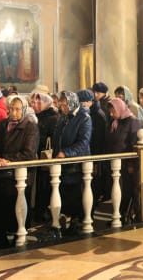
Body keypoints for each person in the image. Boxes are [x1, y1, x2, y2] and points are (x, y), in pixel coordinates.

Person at [0, 95, 39, 249]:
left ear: (24, 110)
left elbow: (29, 152)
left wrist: (7, 159)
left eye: (17, 109)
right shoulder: (3, 124)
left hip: (18, 174)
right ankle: (0, 236)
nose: (13, 112)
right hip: (1, 171)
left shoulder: (30, 126)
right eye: (11, 109)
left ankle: (17, 236)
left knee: (15, 205)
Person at [52, 91, 92, 235]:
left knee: (74, 194)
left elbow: (83, 142)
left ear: (72, 103)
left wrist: (66, 153)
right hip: (62, 163)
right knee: (62, 192)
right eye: (61, 105)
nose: (63, 108)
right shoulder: (64, 117)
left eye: (65, 105)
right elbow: (58, 136)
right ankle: (64, 222)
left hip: (75, 164)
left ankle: (75, 223)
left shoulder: (84, 118)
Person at [105, 98, 141, 224]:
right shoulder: (115, 122)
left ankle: (124, 214)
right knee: (116, 189)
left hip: (126, 164)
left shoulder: (132, 122)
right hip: (115, 163)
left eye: (113, 110)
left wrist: (131, 163)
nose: (111, 114)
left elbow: (134, 143)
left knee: (126, 190)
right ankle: (117, 214)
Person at [32, 92, 59, 223]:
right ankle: (38, 211)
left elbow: (53, 139)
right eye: (34, 102)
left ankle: (43, 212)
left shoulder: (52, 117)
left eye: (39, 102)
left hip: (46, 156)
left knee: (45, 185)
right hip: (36, 155)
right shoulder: (36, 116)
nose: (36, 104)